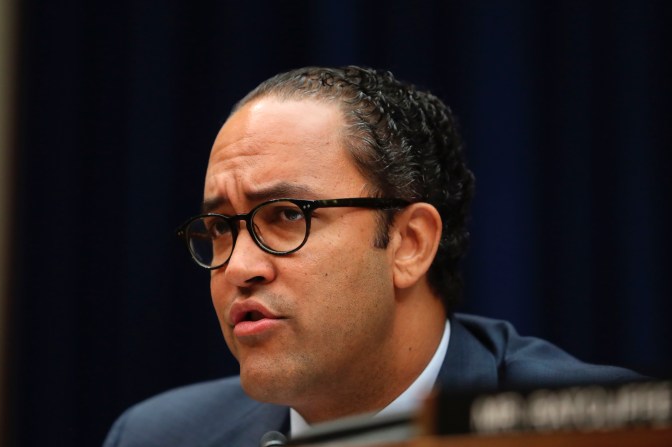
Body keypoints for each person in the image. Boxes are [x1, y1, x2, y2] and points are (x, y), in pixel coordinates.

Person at [103, 66, 641, 447]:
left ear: (410, 244)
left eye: (288, 215)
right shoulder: (157, 435)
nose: (240, 267)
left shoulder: (602, 430)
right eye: (221, 228)